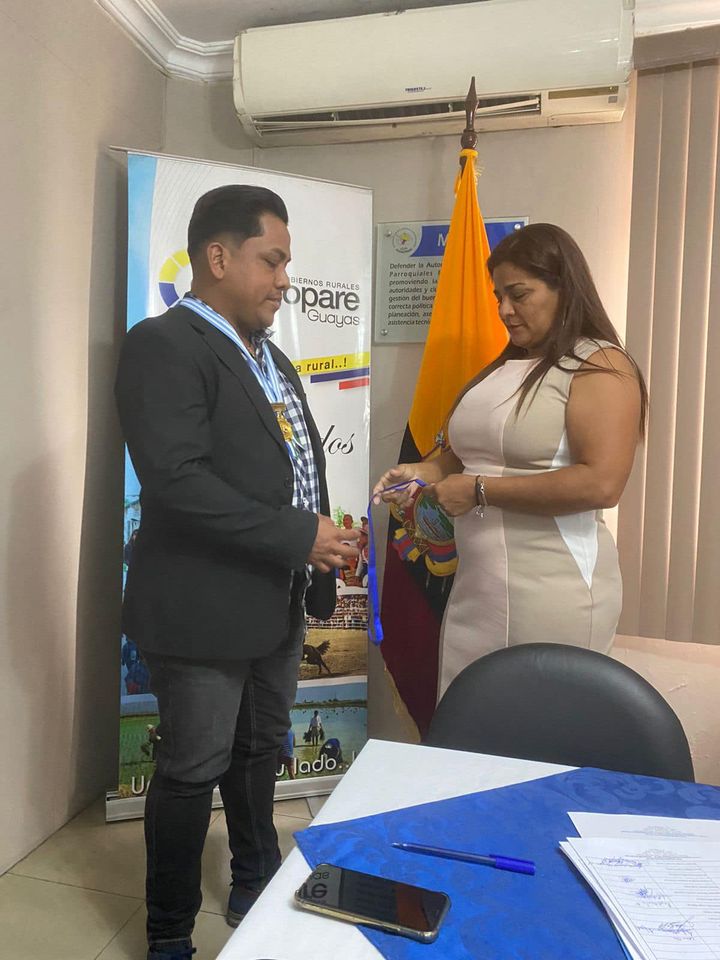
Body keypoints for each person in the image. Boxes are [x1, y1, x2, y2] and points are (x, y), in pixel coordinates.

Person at [115, 185, 359, 960]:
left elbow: (294, 466)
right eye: (272, 260)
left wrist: (322, 547)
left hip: (275, 598)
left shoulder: (270, 357)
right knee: (193, 768)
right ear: (217, 257)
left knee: (258, 752)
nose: (284, 279)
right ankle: (168, 933)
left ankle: (256, 880)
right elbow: (176, 479)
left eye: (286, 263)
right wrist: (299, 534)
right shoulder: (164, 344)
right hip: (200, 607)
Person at [374, 223, 646, 698]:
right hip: (477, 593)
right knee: (471, 723)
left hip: (553, 593)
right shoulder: (505, 368)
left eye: (519, 294)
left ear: (564, 287)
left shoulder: (599, 364)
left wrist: (480, 491)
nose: (504, 310)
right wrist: (424, 471)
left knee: (540, 726)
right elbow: (467, 454)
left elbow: (602, 484)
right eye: (499, 296)